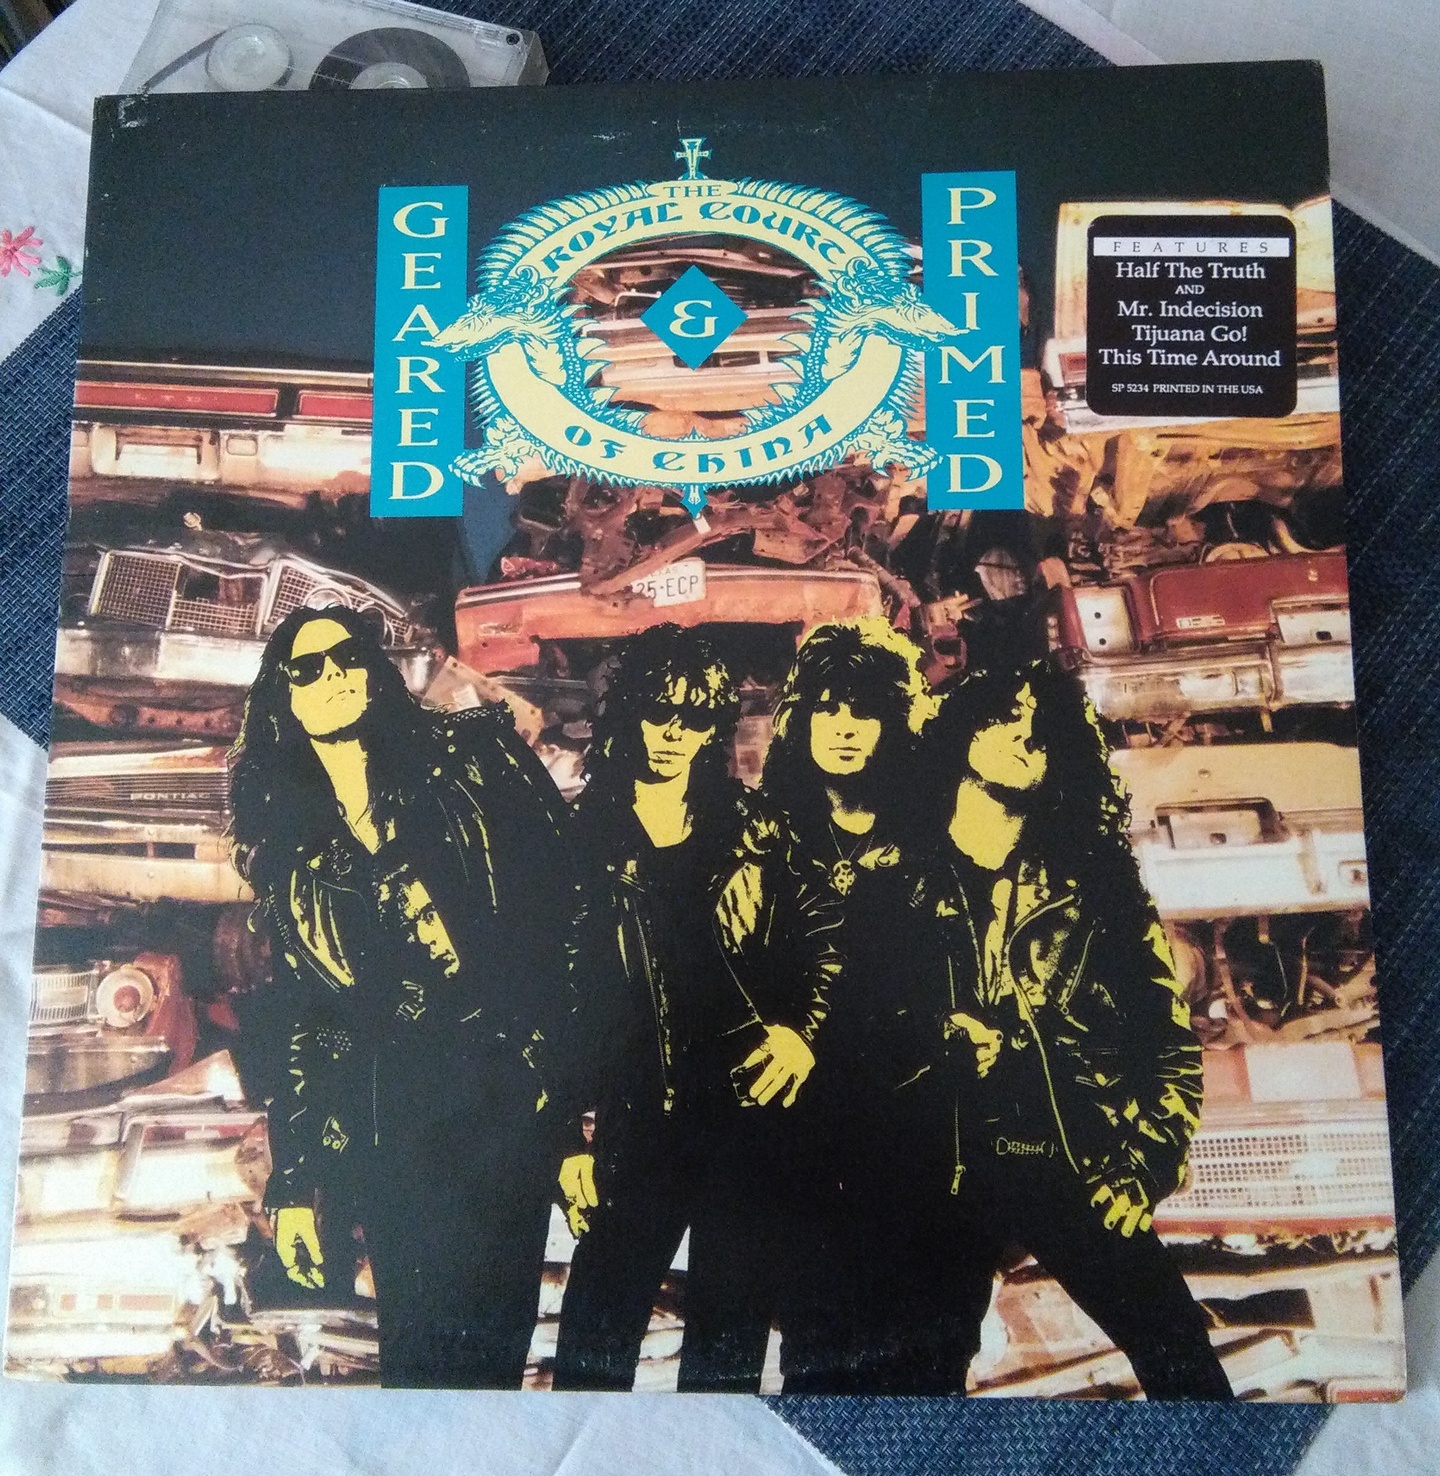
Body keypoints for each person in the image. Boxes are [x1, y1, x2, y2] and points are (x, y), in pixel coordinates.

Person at [229, 605, 573, 1388]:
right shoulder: (291, 857)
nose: (331, 677)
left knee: (492, 1350)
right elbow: (310, 1023)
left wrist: (563, 1103)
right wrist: (293, 1186)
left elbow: (567, 915)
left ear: (374, 674)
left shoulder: (472, 758)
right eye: (307, 668)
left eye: (346, 658)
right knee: (417, 1358)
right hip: (394, 1127)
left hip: (503, 1099)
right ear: (283, 698)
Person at [914, 660, 1232, 1399]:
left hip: (1069, 1156)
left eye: (1043, 732)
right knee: (919, 1384)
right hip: (942, 1171)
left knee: (1181, 1359)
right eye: (1006, 720)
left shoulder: (1096, 883)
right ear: (962, 732)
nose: (1027, 740)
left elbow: (1166, 1042)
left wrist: (1147, 1163)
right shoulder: (900, 875)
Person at [551, 623, 836, 1392]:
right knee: (593, 1346)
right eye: (660, 712)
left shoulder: (756, 827)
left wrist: (801, 1033)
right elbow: (548, 1000)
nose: (675, 733)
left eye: (695, 716)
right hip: (637, 1117)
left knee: (728, 1352)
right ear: (629, 714)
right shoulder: (579, 841)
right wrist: (564, 1139)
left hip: (747, 1115)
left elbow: (824, 943)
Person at [720, 618, 959, 1392]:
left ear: (894, 723)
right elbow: (732, 966)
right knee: (820, 1348)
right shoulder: (766, 834)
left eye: (866, 712)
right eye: (829, 709)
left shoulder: (937, 832)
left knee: (927, 1352)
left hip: (918, 1112)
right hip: (805, 1121)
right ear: (803, 720)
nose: (846, 729)